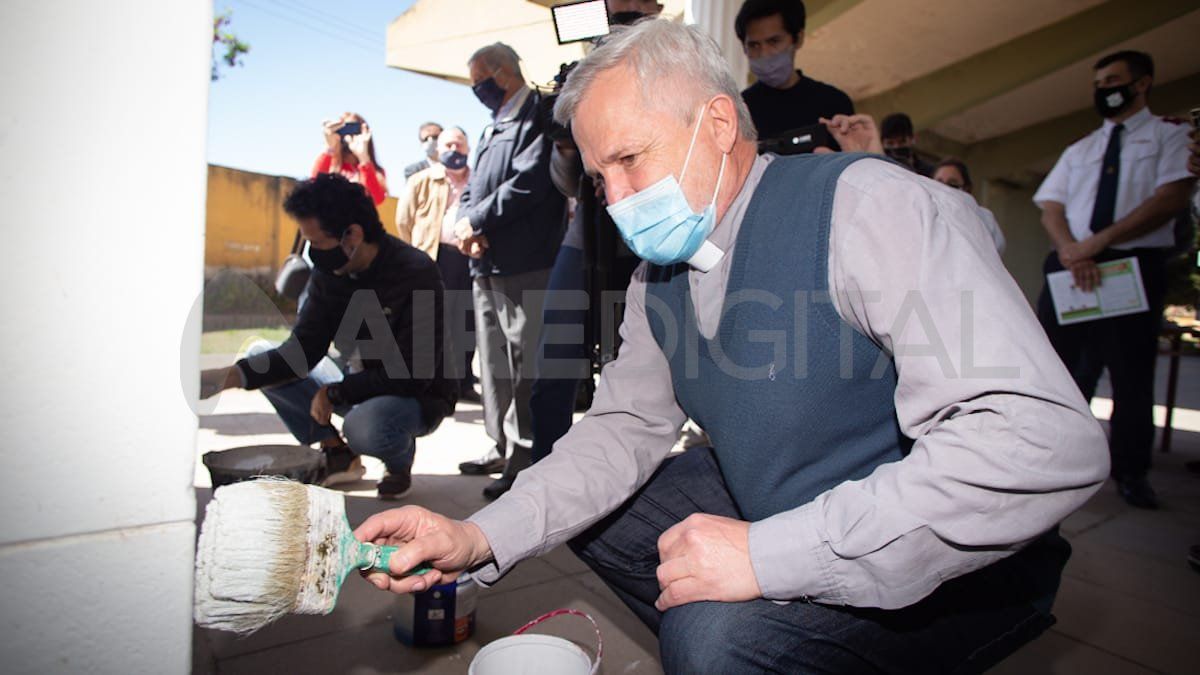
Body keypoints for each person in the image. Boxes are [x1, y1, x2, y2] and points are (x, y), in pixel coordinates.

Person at [355, 20, 1109, 673]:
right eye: (598, 179)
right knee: (591, 510)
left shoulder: (873, 207)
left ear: (718, 125)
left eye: (630, 161)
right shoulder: (661, 275)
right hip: (787, 502)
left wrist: (770, 559)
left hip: (965, 567)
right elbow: (624, 427)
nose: (616, 201)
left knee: (711, 639)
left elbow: (1042, 442)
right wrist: (476, 533)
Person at [200, 175, 456, 499]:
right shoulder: (329, 274)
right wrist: (232, 376)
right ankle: (337, 452)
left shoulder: (415, 271)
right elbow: (302, 351)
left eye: (317, 242)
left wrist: (334, 393)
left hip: (418, 395)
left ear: (354, 234)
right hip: (355, 381)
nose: (312, 253)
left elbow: (413, 373)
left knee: (364, 427)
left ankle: (397, 457)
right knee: (259, 353)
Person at [1033, 50, 1195, 510]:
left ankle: (1130, 472)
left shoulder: (1171, 135)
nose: (1104, 89)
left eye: (1114, 80)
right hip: (1072, 268)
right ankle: (1052, 461)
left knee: (1129, 377)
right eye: (1099, 82)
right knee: (1060, 372)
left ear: (1142, 83)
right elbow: (1051, 207)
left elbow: (1170, 199)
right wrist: (1072, 249)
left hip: (1130, 269)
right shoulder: (1081, 148)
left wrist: (1095, 244)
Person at [530, 0, 666, 466]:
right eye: (612, 6)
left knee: (636, 359)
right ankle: (540, 468)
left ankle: (626, 474)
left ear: (657, 8)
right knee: (555, 355)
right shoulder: (585, 74)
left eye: (632, 7)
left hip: (655, 232)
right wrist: (568, 140)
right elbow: (569, 183)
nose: (621, 11)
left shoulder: (673, 65)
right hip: (587, 235)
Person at [453, 43, 566, 499]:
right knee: (493, 364)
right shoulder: (490, 127)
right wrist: (466, 225)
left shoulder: (540, 112)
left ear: (502, 73)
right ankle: (499, 445)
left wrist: (477, 220)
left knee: (524, 367)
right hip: (485, 262)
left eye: (479, 79)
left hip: (526, 262)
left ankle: (523, 460)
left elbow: (532, 181)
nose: (477, 89)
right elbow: (472, 188)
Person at [395, 126, 480, 403]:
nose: (454, 151)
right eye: (448, 146)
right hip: (432, 258)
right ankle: (428, 382)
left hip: (467, 258)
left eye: (459, 145)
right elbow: (403, 221)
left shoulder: (477, 180)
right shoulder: (422, 180)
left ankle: (463, 382)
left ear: (468, 148)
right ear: (439, 150)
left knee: (466, 322)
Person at [737, 0, 854, 143]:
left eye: (774, 41)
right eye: (754, 45)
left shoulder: (834, 103)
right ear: (744, 48)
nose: (764, 53)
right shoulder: (739, 110)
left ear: (798, 39)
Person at [933, 158, 1007, 254]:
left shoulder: (984, 218)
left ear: (966, 189)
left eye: (952, 184)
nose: (944, 188)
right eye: (938, 183)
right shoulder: (922, 213)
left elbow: (994, 251)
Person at [312, 112, 388, 205]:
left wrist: (364, 158)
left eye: (354, 129)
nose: (349, 135)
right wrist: (330, 147)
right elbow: (314, 188)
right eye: (345, 129)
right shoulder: (329, 165)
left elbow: (375, 200)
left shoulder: (375, 171)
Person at [880, 112, 935, 177]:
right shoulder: (878, 169)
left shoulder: (929, 171)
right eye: (890, 143)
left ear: (913, 139)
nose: (896, 147)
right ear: (882, 143)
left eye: (902, 142)